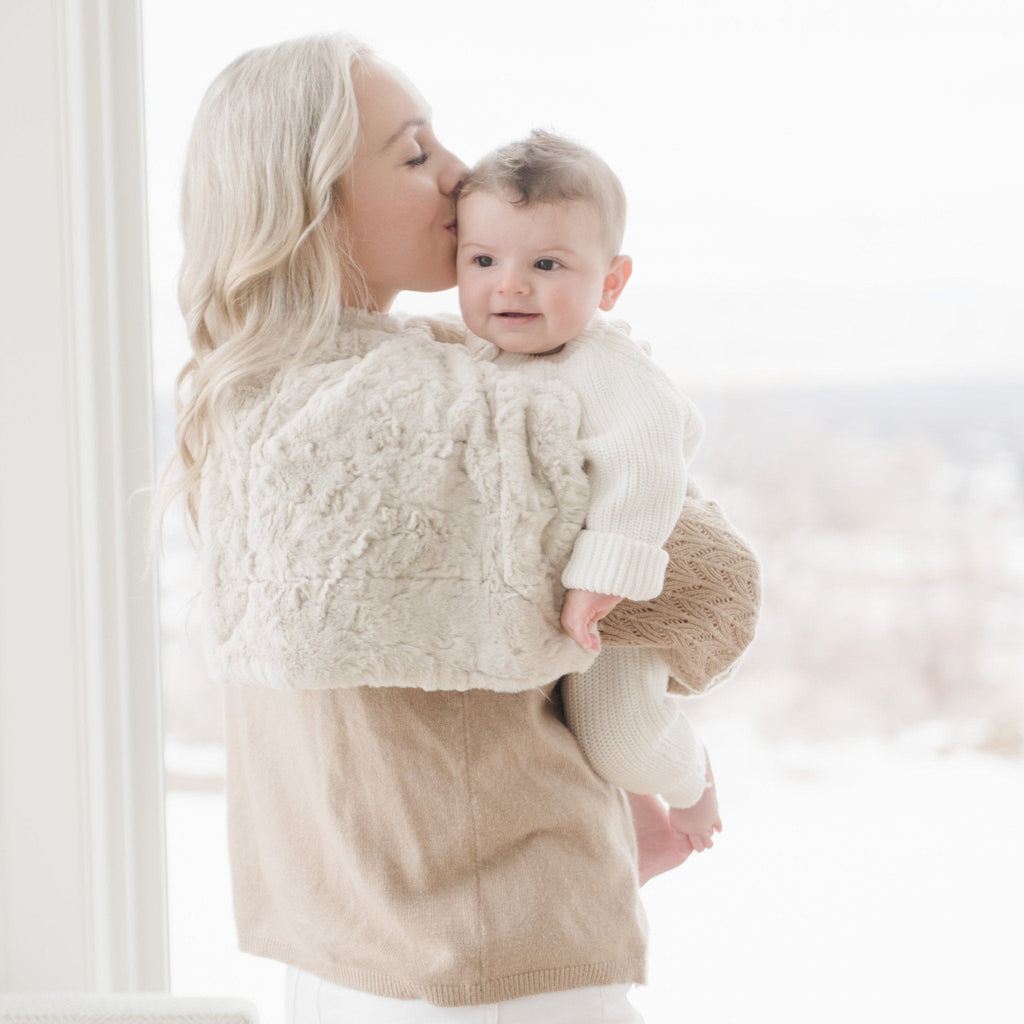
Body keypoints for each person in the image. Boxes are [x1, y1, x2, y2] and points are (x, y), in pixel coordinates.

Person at [161, 32, 760, 1024]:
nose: (457, 171)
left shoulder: (249, 393)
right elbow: (713, 588)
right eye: (413, 152)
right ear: (313, 203)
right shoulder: (436, 410)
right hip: (492, 944)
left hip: (338, 931)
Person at [456, 130, 723, 858]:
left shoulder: (601, 362)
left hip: (621, 586)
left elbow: (645, 465)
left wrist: (602, 579)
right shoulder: (474, 352)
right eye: (483, 261)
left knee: (617, 732)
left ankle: (691, 782)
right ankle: (641, 823)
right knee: (560, 728)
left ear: (610, 282)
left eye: (546, 264)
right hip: (551, 586)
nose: (510, 285)